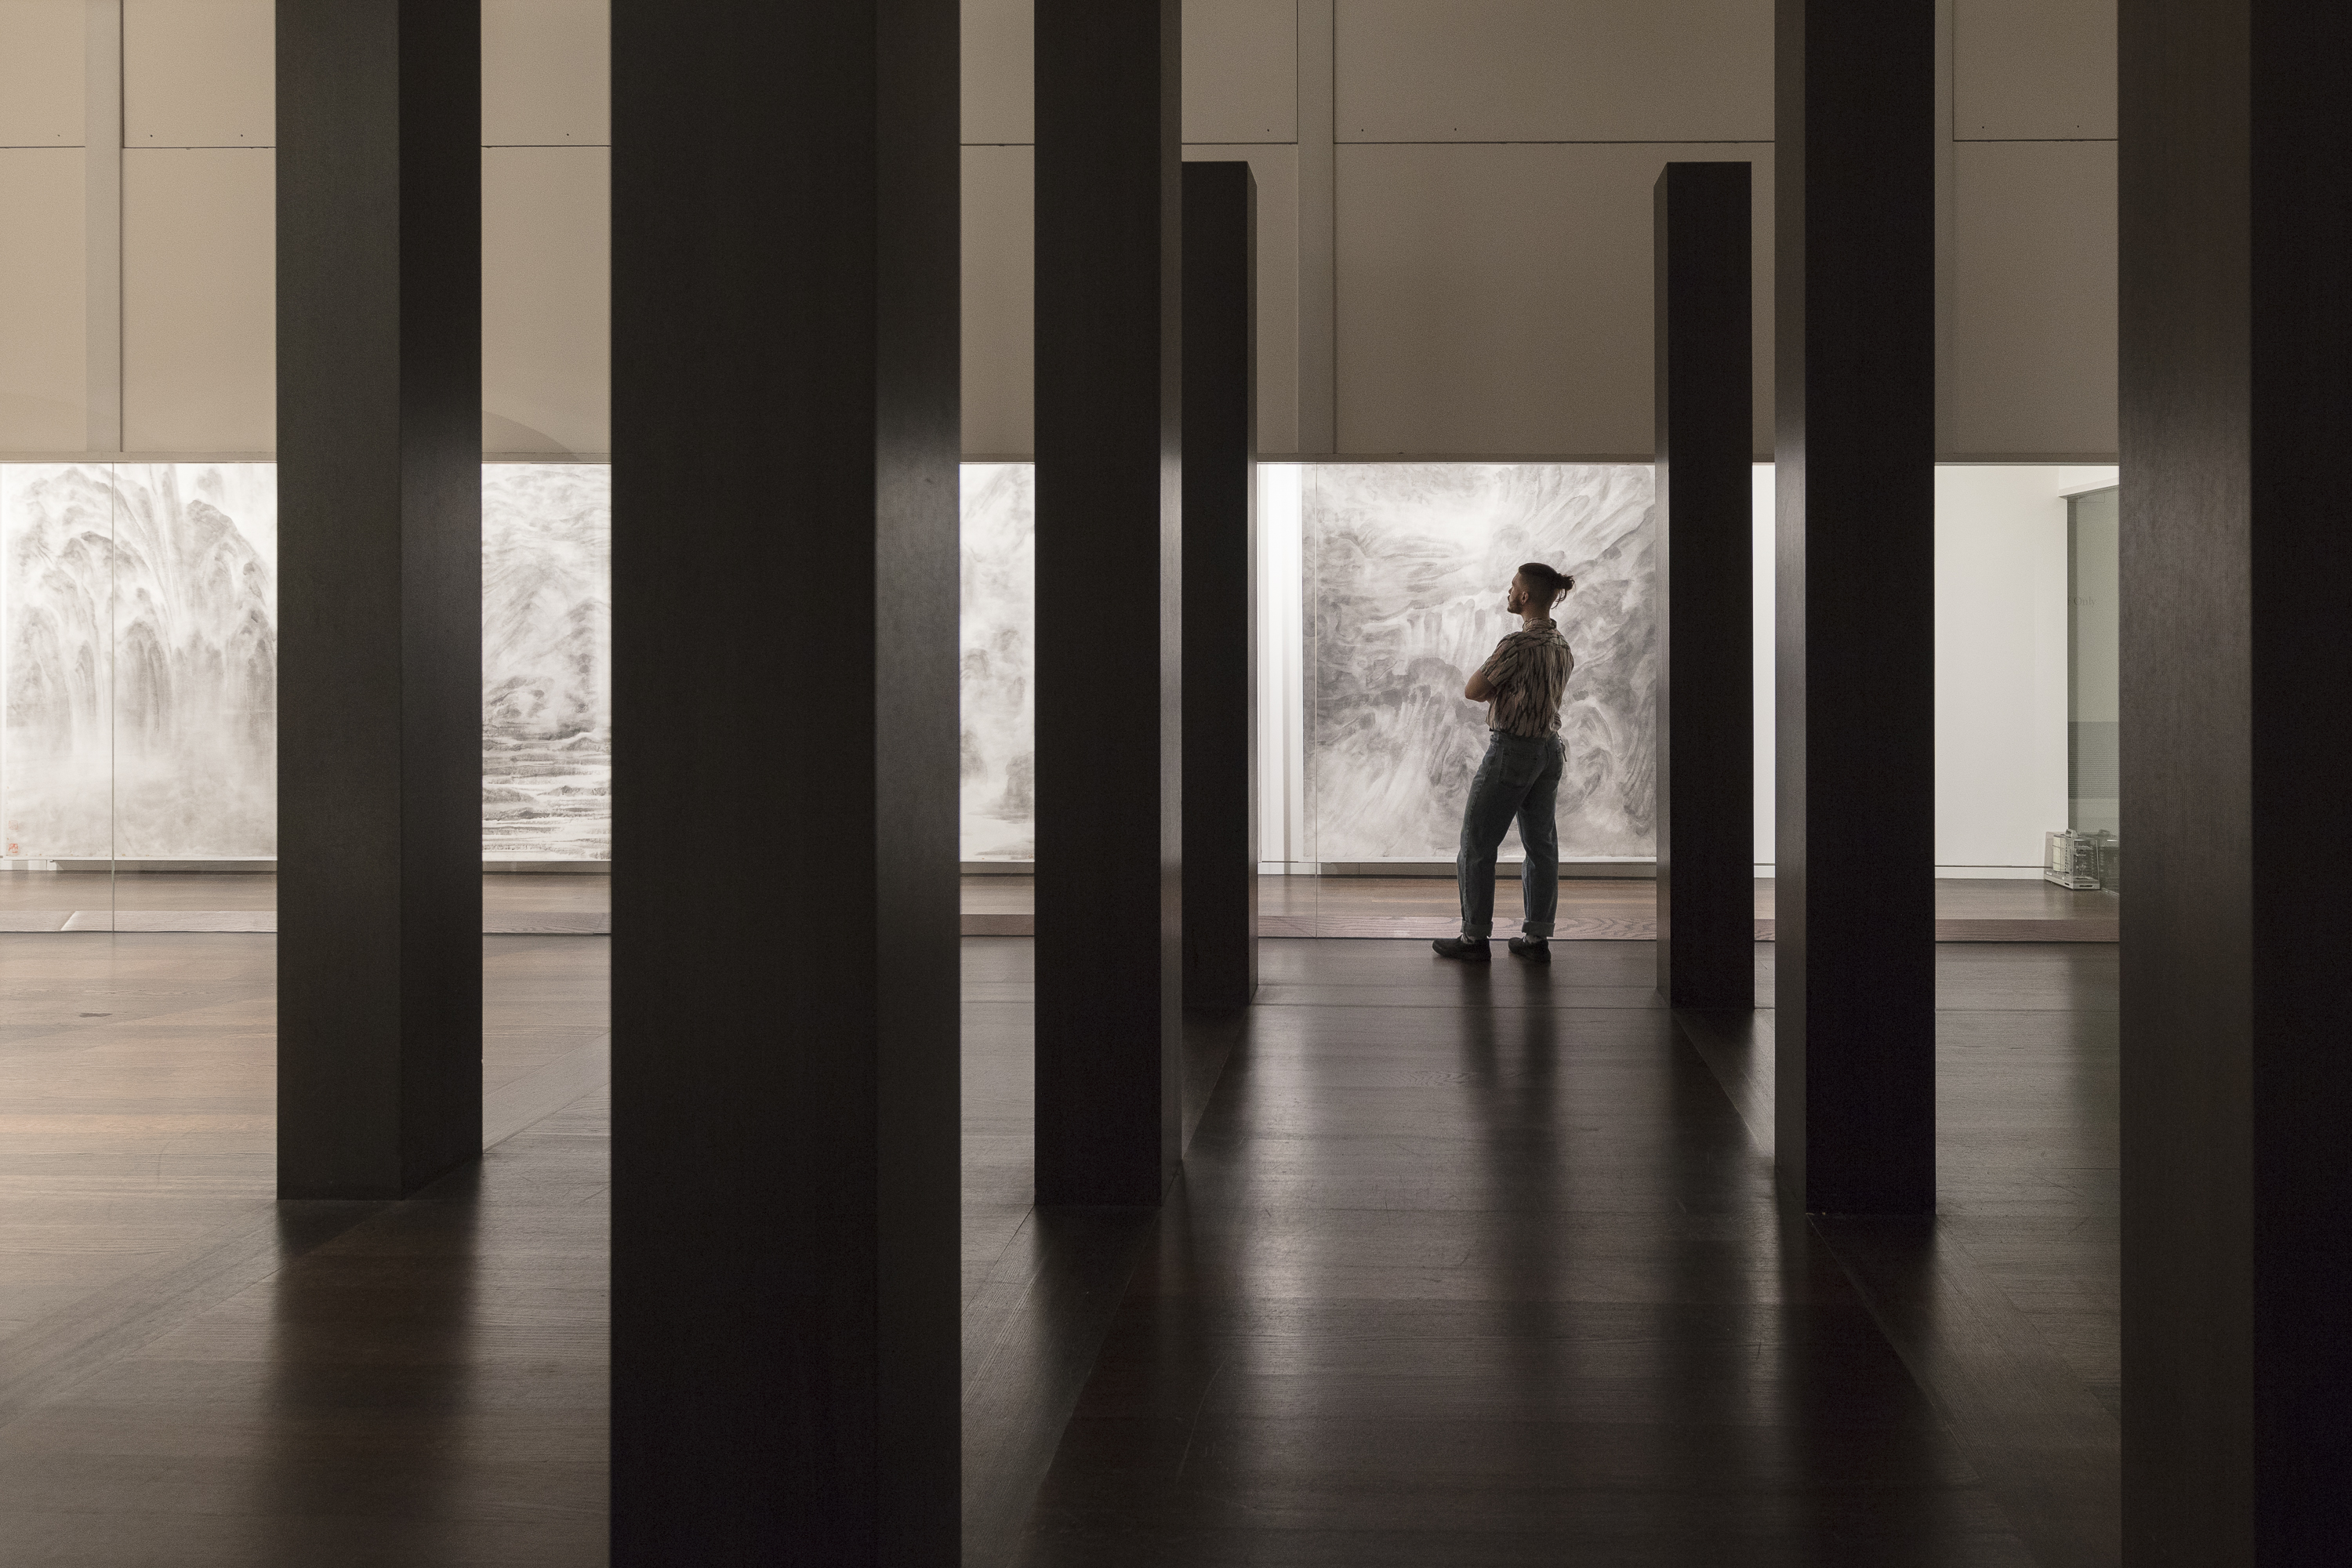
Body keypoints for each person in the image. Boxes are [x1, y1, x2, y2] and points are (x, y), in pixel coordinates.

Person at [1432, 562, 1577, 965]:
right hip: (1549, 751)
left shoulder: (1516, 644)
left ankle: (1474, 939)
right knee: (1541, 847)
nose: (1508, 592)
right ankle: (1536, 940)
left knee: (1477, 844)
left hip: (1512, 751)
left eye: (1512, 586)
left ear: (1526, 596)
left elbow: (1473, 690)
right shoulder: (1563, 646)